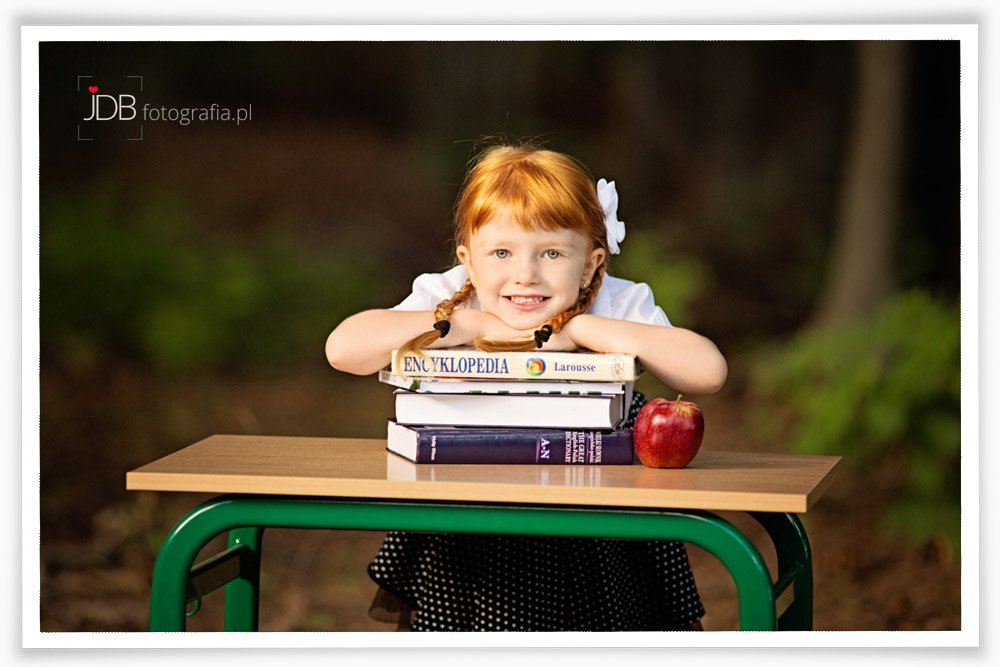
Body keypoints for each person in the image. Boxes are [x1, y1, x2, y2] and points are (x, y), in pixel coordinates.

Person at [325, 142, 728, 631]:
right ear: (468, 260)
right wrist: (466, 326)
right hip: (473, 519)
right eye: (501, 252)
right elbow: (343, 349)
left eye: (552, 252)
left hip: (598, 526)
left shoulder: (614, 302)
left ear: (590, 263)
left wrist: (585, 331)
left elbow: (708, 372)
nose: (525, 274)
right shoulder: (452, 297)